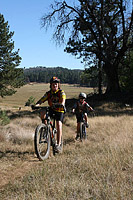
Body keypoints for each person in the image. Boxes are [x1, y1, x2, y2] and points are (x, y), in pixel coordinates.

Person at [34, 76, 66, 152]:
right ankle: (45, 128)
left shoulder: (61, 92)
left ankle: (58, 144)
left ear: (58, 85)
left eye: (56, 84)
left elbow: (63, 100)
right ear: (50, 85)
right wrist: (37, 105)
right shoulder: (48, 93)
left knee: (58, 124)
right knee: (42, 113)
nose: (54, 85)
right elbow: (42, 100)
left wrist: (62, 104)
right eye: (53, 84)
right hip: (52, 109)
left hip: (59, 110)